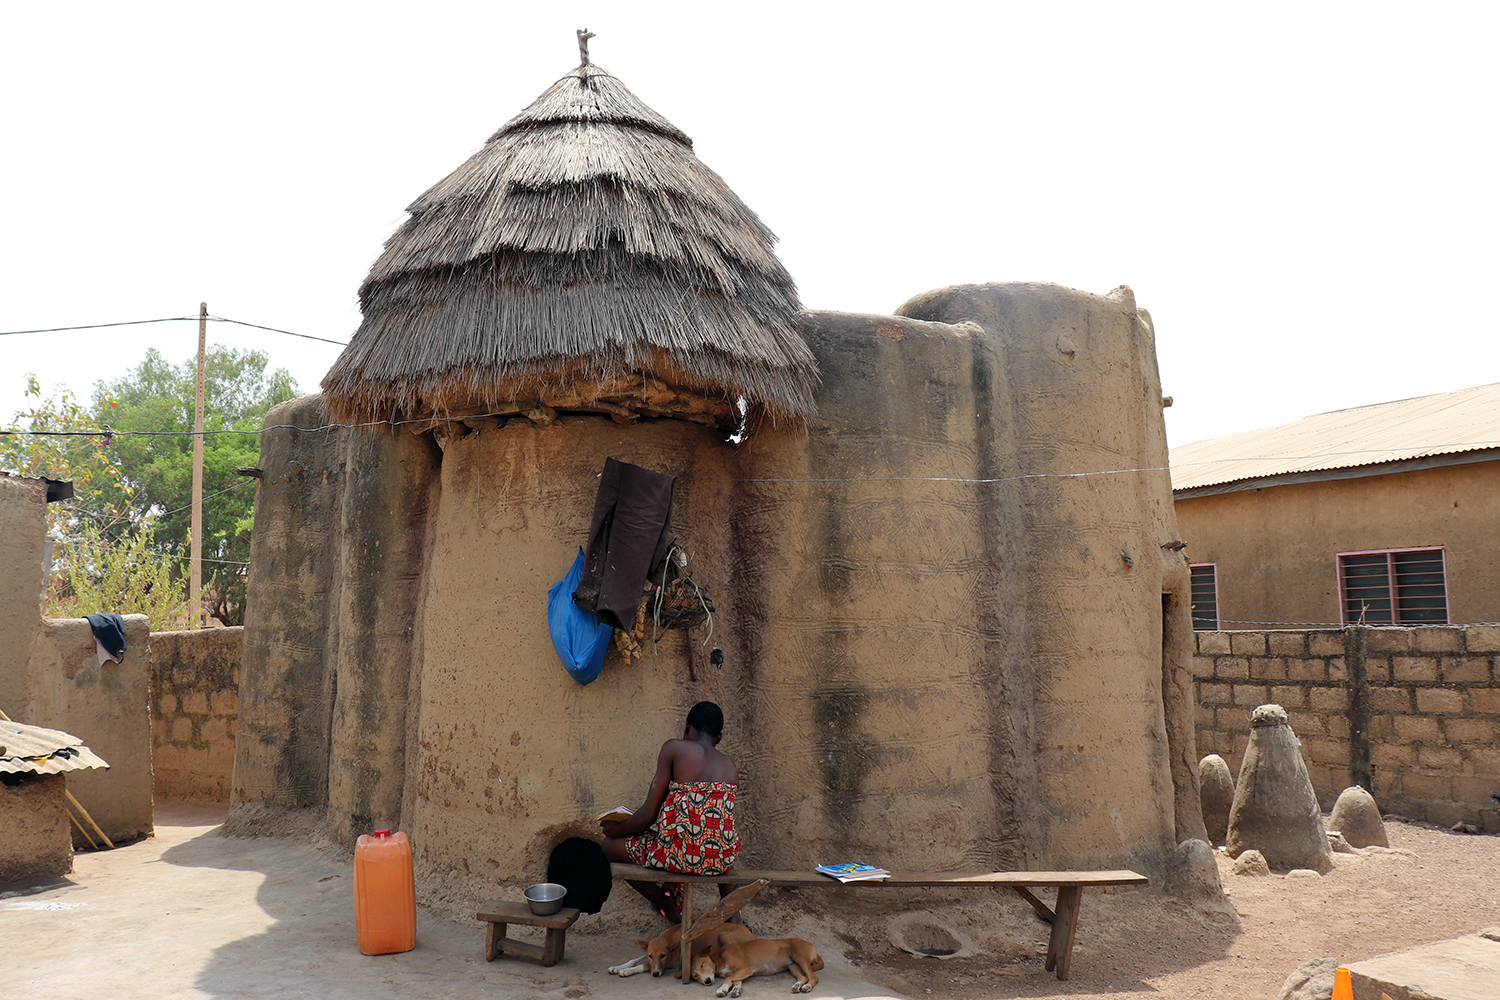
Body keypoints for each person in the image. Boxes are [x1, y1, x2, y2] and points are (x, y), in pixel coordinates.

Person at [601, 701, 740, 921]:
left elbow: (648, 815)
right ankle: (733, 919)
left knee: (609, 848)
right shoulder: (730, 766)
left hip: (679, 855)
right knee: (707, 840)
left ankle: (670, 908)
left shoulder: (675, 748)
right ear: (719, 738)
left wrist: (615, 830)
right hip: (720, 859)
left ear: (687, 728)